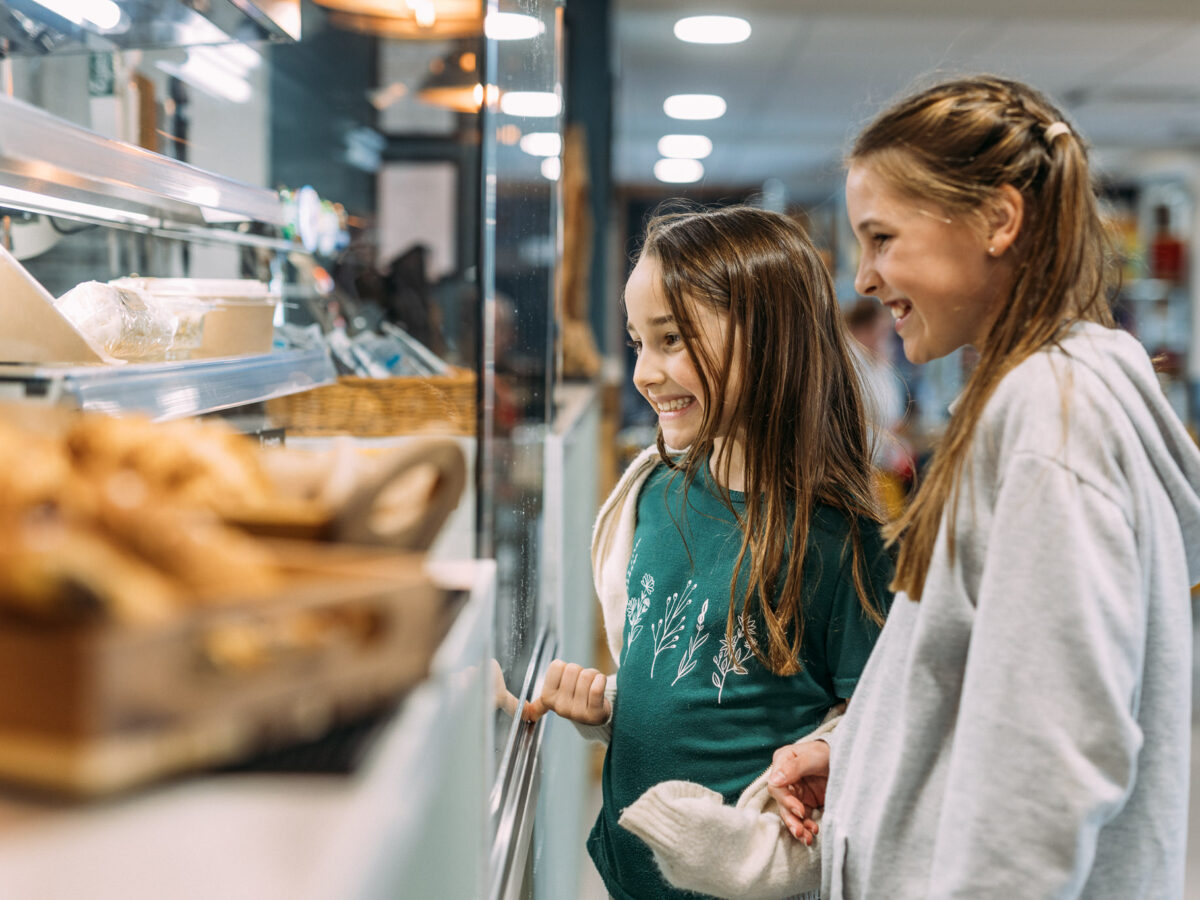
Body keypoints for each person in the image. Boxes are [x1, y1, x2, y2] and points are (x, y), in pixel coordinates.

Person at [766, 74, 1200, 898]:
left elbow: (1053, 754)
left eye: (883, 238)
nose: (862, 278)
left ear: (999, 220)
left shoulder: (1050, 415)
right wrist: (861, 755)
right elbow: (977, 677)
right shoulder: (1031, 398)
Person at [522, 205, 894, 900]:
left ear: (771, 339)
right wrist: (610, 707)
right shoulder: (652, 497)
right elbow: (683, 678)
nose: (643, 372)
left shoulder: (839, 540)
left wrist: (828, 758)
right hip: (631, 875)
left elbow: (879, 721)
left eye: (670, 340)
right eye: (637, 341)